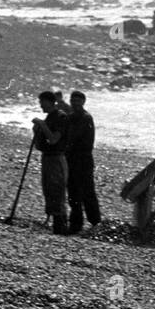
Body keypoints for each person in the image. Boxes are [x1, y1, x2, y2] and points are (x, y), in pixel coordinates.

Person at [32, 91, 70, 233]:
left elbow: (54, 139)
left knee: (57, 189)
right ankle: (55, 221)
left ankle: (61, 225)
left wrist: (42, 125)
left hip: (57, 158)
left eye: (42, 102)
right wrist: (36, 132)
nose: (41, 105)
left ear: (50, 102)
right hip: (47, 158)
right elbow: (39, 145)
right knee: (48, 189)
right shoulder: (48, 118)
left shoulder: (61, 117)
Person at [65, 91, 101, 233]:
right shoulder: (70, 117)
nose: (75, 103)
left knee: (87, 191)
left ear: (83, 102)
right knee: (73, 192)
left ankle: (95, 222)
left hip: (83, 160)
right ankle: (76, 223)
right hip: (71, 159)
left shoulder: (86, 118)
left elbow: (73, 137)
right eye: (73, 101)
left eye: (78, 101)